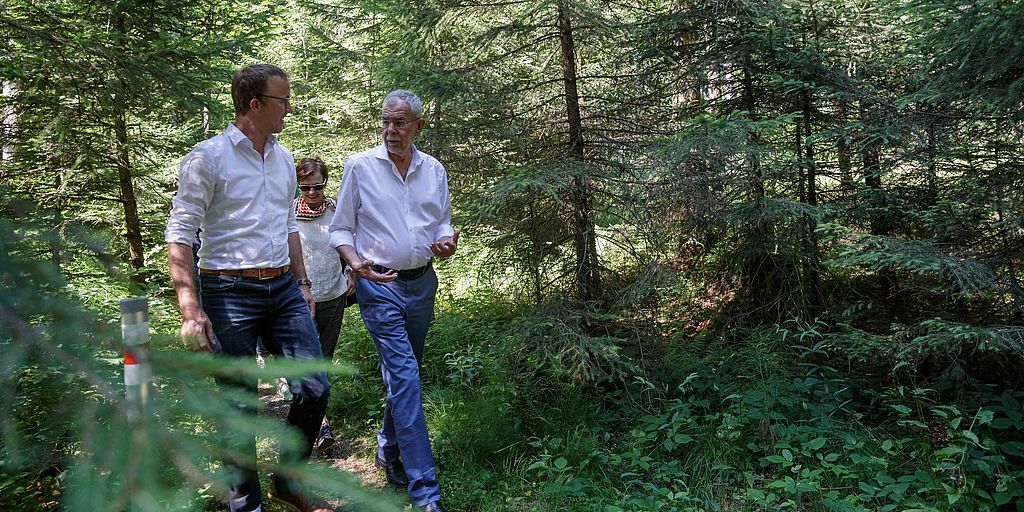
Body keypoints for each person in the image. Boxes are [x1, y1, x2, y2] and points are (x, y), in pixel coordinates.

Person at [165, 63, 333, 512]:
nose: (290, 108)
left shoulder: (282, 157)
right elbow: (181, 233)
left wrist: (302, 283)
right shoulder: (207, 158)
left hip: (282, 288)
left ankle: (289, 481)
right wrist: (190, 308)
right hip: (226, 290)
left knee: (314, 386)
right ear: (255, 104)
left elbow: (288, 225)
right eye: (283, 100)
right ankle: (247, 503)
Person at [328, 89, 457, 512]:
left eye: (400, 122)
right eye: (385, 121)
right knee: (405, 378)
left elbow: (440, 221)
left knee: (407, 376)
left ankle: (387, 444)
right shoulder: (360, 167)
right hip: (378, 286)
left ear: (418, 126)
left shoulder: (434, 169)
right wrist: (354, 262)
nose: (390, 130)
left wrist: (444, 243)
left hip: (422, 284)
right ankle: (426, 493)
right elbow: (341, 229)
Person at [293, 156, 356, 451]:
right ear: (298, 187)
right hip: (298, 301)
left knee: (323, 361)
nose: (313, 193)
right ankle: (319, 426)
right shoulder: (288, 215)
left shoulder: (336, 213)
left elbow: (348, 246)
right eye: (306, 187)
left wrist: (351, 272)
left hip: (333, 295)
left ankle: (317, 422)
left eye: (318, 186)